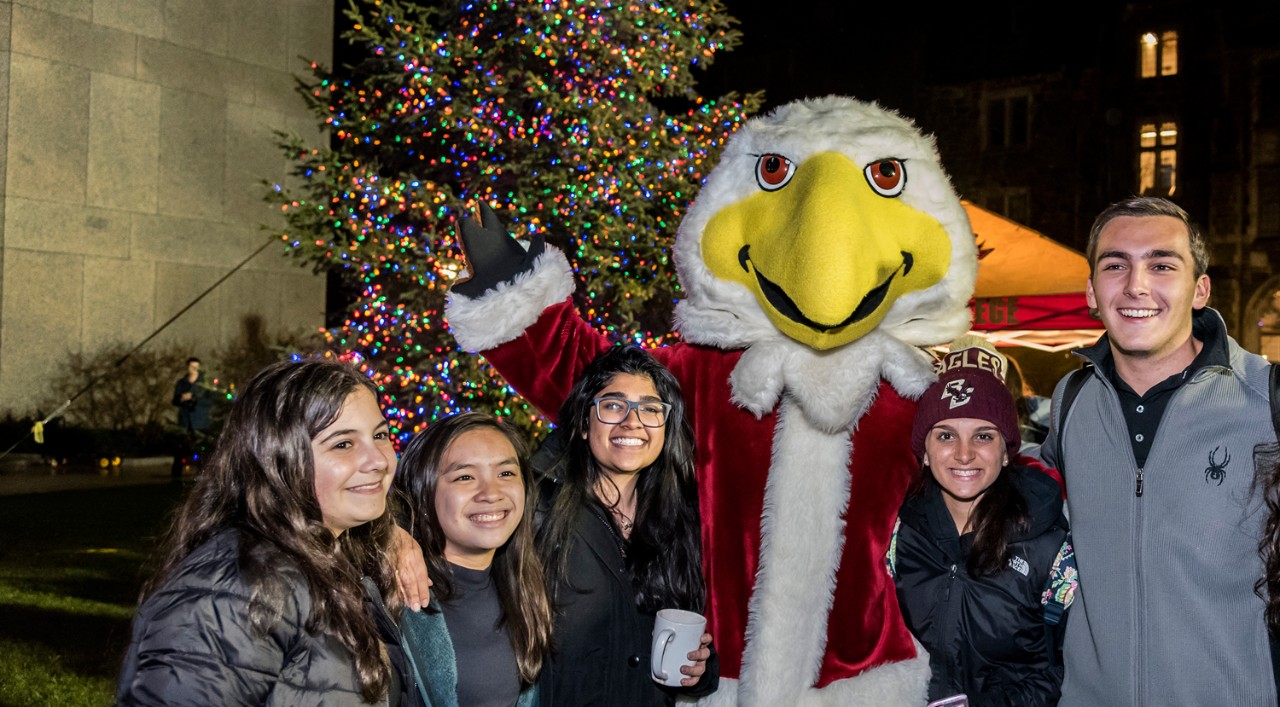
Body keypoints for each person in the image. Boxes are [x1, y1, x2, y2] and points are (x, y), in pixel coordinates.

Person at [1041, 196, 1278, 705]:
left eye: (1161, 264)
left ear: (1200, 290)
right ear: (1091, 290)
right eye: (1115, 265)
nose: (1135, 285)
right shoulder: (1070, 401)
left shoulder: (1267, 399)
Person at [117, 359, 418, 706]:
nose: (379, 460)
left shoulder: (328, 555)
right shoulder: (238, 583)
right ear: (279, 459)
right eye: (343, 444)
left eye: (380, 435)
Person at [890, 336, 1073, 706]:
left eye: (983, 436)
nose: (963, 454)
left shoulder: (1051, 548)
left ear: (1005, 453)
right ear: (924, 450)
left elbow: (1065, 673)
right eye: (945, 435)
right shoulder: (893, 534)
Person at [537, 345, 717, 706]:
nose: (632, 421)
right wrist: (403, 544)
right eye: (614, 405)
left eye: (650, 409)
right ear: (584, 424)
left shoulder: (680, 519)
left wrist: (700, 670)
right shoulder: (536, 507)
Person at [392, 412, 552, 707]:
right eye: (465, 477)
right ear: (423, 490)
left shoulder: (528, 588)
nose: (491, 493)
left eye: (506, 473)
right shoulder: (396, 591)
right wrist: (388, 532)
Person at [171, 357, 212, 478]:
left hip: (200, 421)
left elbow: (210, 401)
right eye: (191, 367)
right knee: (180, 449)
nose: (194, 369)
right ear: (188, 367)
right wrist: (182, 398)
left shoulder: (204, 384)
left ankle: (204, 475)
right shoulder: (181, 383)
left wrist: (194, 397)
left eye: (196, 367)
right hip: (185, 421)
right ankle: (176, 475)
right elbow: (175, 400)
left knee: (202, 450)